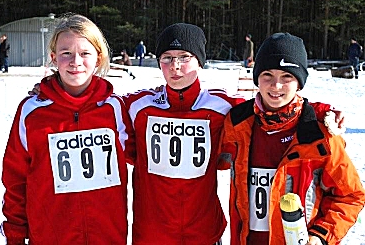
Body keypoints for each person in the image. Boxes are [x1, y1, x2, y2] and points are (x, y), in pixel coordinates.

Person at [28, 24, 344, 245]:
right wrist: (51, 92)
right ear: (159, 64)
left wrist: (316, 111)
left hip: (203, 233)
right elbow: (90, 105)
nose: (176, 67)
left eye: (185, 59)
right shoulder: (136, 106)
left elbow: (271, 103)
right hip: (150, 235)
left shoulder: (222, 106)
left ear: (200, 63)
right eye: (167, 59)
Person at [0, 14, 135, 244]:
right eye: (66, 54)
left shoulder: (115, 108)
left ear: (98, 57)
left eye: (85, 53)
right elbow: (15, 178)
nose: (76, 61)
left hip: (107, 236)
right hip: (50, 235)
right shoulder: (32, 111)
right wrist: (14, 233)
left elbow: (147, 156)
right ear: (53, 58)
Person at [221, 33, 365, 245]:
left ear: (299, 82)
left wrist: (321, 235)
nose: (275, 86)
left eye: (286, 76)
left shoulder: (320, 136)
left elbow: (350, 196)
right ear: (257, 78)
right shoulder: (237, 124)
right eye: (267, 75)